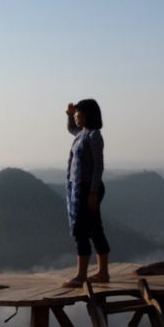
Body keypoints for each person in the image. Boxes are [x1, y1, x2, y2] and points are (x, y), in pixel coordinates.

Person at [62, 99, 111, 288]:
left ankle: (82, 275)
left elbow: (98, 166)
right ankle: (102, 272)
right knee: (91, 228)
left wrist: (93, 192)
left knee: (82, 230)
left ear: (87, 114)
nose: (76, 116)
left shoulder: (94, 136)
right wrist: (69, 114)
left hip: (87, 188)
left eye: (78, 113)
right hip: (78, 188)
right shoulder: (81, 134)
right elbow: (71, 129)